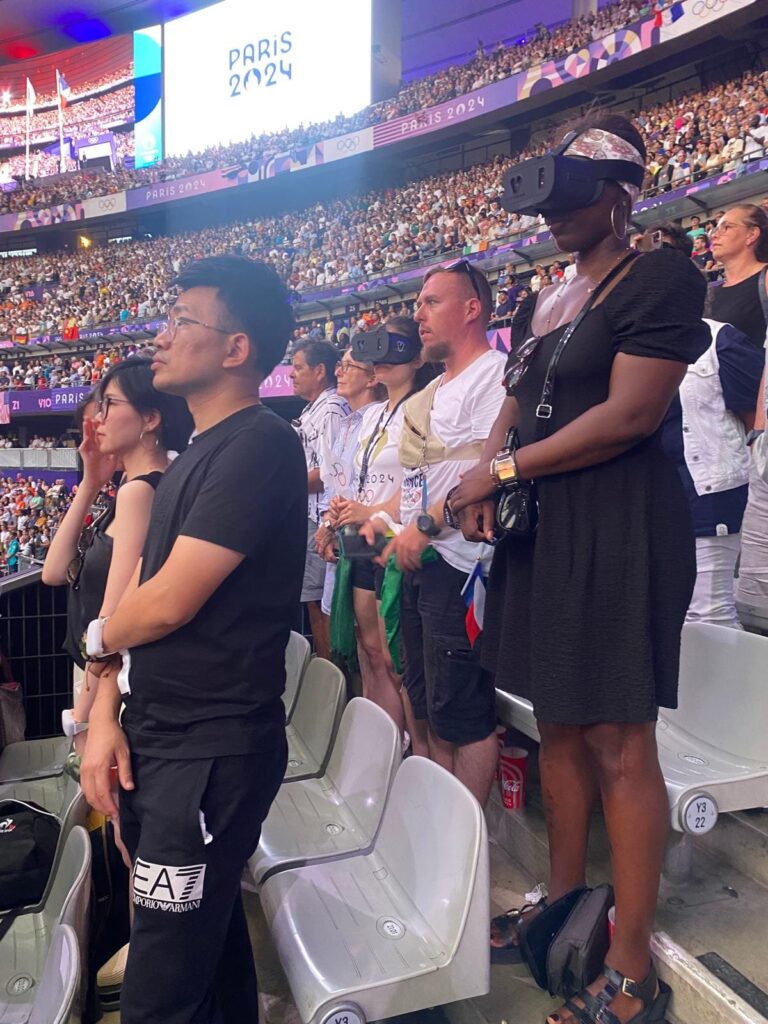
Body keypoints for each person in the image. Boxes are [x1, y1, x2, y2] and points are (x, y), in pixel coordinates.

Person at [450, 115, 709, 1024]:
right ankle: (564, 915)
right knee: (556, 725)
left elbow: (633, 415)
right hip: (547, 528)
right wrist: (487, 473)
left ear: (619, 196)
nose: (556, 220)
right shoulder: (542, 301)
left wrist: (506, 469)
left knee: (617, 740)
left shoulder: (665, 274)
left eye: (573, 202)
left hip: (623, 526)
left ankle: (632, 968)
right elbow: (517, 404)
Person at [79, 255, 306, 1024]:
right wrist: (107, 709)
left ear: (235, 349)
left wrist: (96, 638)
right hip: (162, 737)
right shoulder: (192, 459)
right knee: (207, 965)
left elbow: (168, 602)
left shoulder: (260, 445)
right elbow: (145, 598)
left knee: (160, 992)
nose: (161, 337)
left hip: (208, 754)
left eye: (181, 322)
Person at [362, 262, 506, 805]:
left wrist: (423, 526)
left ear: (472, 309)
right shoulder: (437, 389)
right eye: (419, 303)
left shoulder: (494, 373)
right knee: (428, 706)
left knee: (463, 715)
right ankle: (436, 820)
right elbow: (424, 478)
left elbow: (486, 470)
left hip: (466, 564)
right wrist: (399, 528)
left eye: (432, 302)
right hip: (426, 559)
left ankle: (466, 848)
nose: (418, 314)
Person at [332, 318, 437, 751]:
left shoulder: (425, 407)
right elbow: (360, 475)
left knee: (395, 658)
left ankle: (408, 745)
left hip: (394, 538)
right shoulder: (373, 413)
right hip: (361, 535)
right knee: (368, 649)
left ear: (416, 357)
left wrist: (371, 510)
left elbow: (421, 481)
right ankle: (383, 745)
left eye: (393, 348)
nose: (380, 359)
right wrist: (341, 513)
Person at [709, 205, 768, 632]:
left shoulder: (766, 279)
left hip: (756, 421)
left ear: (752, 236)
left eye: (727, 226)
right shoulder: (711, 292)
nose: (715, 233)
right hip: (717, 427)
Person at [290, 340, 349, 659]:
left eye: (298, 367)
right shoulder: (313, 410)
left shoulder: (332, 408)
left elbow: (331, 472)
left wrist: (284, 484)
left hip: (328, 517)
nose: (292, 375)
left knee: (323, 601)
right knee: (313, 599)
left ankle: (333, 677)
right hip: (315, 515)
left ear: (320, 370)